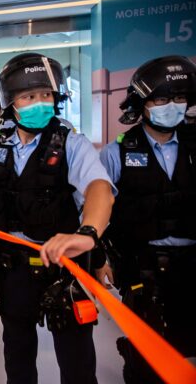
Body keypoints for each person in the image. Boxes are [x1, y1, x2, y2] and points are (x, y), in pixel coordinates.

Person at [0, 53, 115, 384]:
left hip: (63, 269)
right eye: (29, 96)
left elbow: (100, 187)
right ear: (11, 103)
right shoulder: (0, 142)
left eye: (46, 94)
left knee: (76, 358)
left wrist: (88, 232)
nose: (39, 102)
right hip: (12, 266)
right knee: (17, 348)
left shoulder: (72, 142)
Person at [100, 55, 196, 384]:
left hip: (193, 263)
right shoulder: (117, 152)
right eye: (162, 99)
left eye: (180, 98)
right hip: (142, 264)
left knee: (186, 344)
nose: (173, 106)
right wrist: (102, 257)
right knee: (146, 351)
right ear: (142, 104)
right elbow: (101, 209)